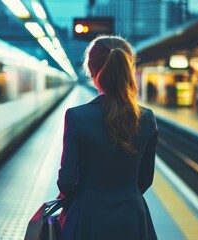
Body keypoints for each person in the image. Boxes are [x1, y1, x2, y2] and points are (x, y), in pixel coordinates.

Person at [57, 35, 158, 240]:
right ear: (128, 69)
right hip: (132, 218)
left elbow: (66, 183)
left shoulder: (76, 116)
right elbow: (145, 179)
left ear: (91, 70)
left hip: (87, 218)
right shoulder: (147, 118)